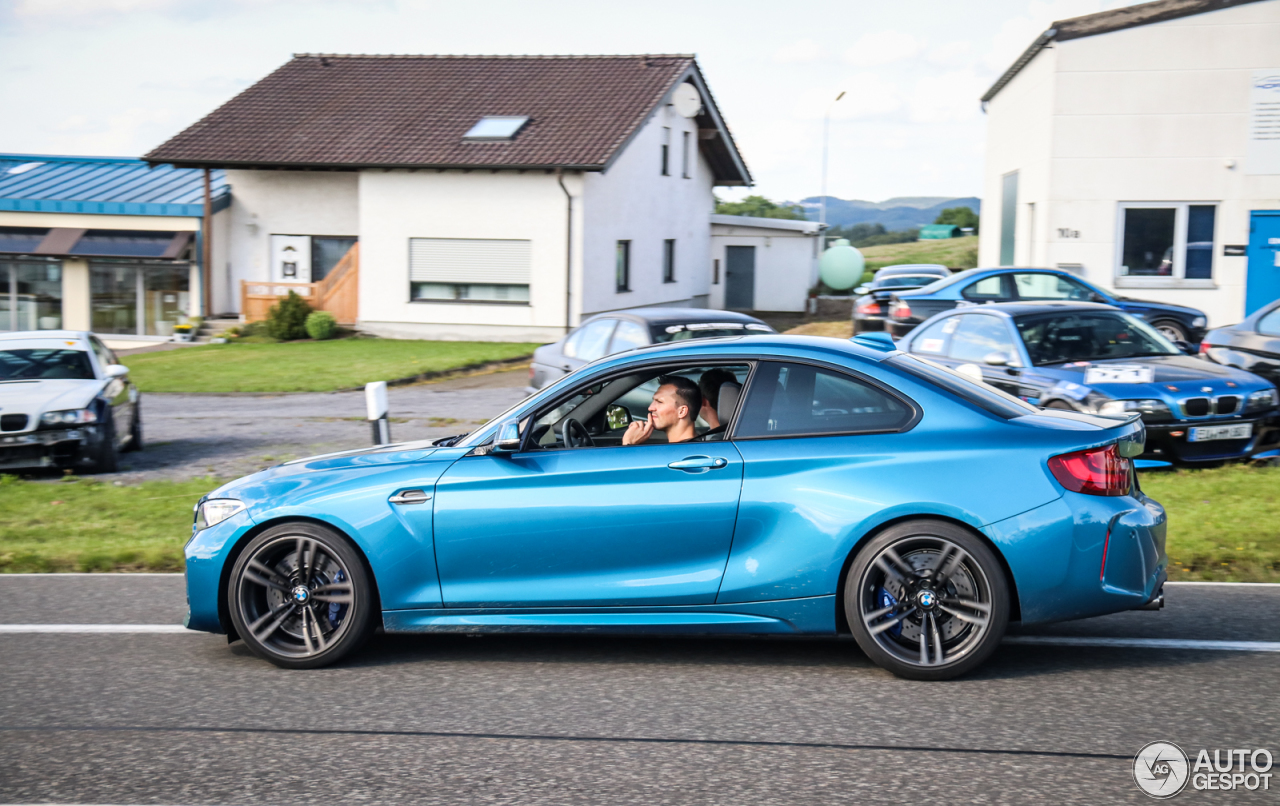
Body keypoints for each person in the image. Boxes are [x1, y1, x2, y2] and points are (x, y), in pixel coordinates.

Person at [622, 374, 702, 446]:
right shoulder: (694, 445)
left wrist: (628, 442)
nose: (650, 408)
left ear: (682, 411)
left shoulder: (682, 451)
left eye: (659, 402)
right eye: (653, 401)